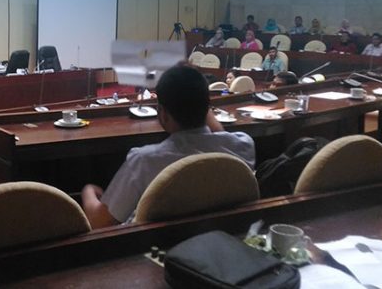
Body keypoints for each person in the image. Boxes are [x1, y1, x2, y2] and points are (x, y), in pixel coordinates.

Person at [81, 65, 255, 229]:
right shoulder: (242, 146)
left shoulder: (143, 162)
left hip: (156, 246)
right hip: (222, 238)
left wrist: (88, 191)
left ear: (162, 114)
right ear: (207, 108)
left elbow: (100, 224)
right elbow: (220, 137)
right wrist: (199, 102)